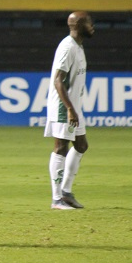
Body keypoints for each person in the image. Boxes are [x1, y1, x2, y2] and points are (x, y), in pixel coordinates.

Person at [45, 11, 95, 210]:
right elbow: (58, 80)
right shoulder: (67, 47)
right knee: (61, 148)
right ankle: (57, 199)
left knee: (81, 145)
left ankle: (65, 192)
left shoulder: (78, 46)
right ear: (79, 24)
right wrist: (69, 109)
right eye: (89, 23)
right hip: (63, 107)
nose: (93, 27)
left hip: (74, 107)